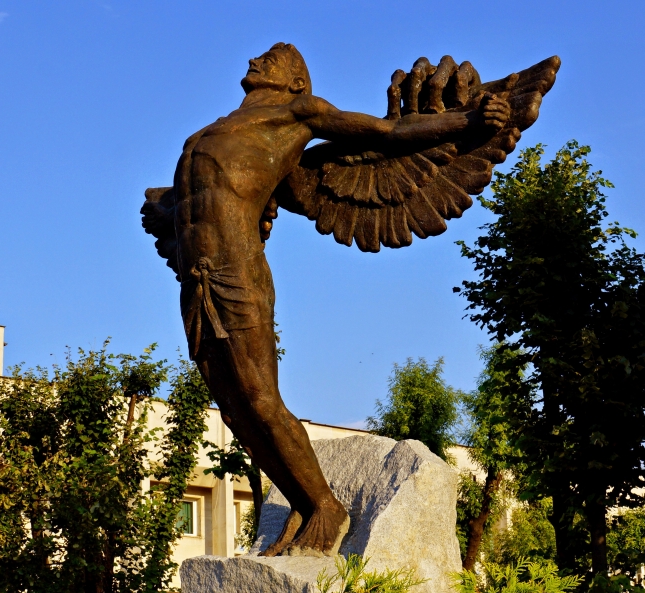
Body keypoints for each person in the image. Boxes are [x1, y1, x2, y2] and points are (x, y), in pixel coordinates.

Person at [151, 43, 511, 556]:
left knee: (258, 398)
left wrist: (468, 120)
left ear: (297, 82)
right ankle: (300, 503)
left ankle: (326, 505)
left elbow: (388, 135)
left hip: (237, 277)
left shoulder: (298, 112)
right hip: (197, 284)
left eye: (271, 58)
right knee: (233, 410)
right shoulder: (211, 131)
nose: (255, 61)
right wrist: (165, 211)